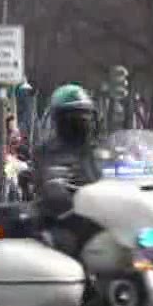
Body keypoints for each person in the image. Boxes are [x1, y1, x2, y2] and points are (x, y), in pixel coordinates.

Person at [32, 83, 105, 255]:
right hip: (64, 220)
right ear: (59, 120)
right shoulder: (47, 151)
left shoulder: (102, 149)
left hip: (104, 217)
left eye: (85, 114)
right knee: (62, 246)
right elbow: (49, 185)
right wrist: (58, 187)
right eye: (73, 116)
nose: (82, 121)